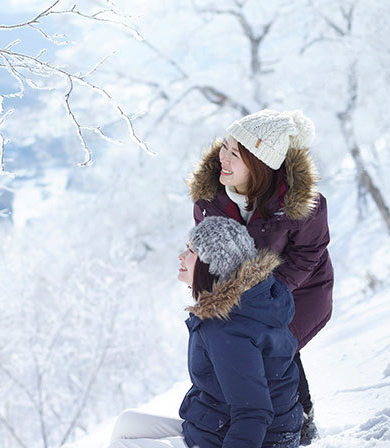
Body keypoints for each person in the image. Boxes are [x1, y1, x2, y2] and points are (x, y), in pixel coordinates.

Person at [187, 110, 333, 444]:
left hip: (302, 289)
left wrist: (271, 297)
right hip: (247, 290)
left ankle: (298, 419)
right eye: (225, 146)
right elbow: (213, 252)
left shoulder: (303, 205)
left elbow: (308, 254)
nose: (222, 157)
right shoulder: (210, 200)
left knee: (276, 348)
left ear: (260, 164)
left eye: (235, 154)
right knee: (247, 343)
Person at [108, 216, 302, 448]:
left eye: (191, 251)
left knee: (124, 446)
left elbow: (253, 413)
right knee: (127, 424)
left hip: (252, 439)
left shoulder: (225, 327)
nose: (181, 256)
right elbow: (288, 362)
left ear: (212, 265)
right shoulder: (256, 302)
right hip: (224, 426)